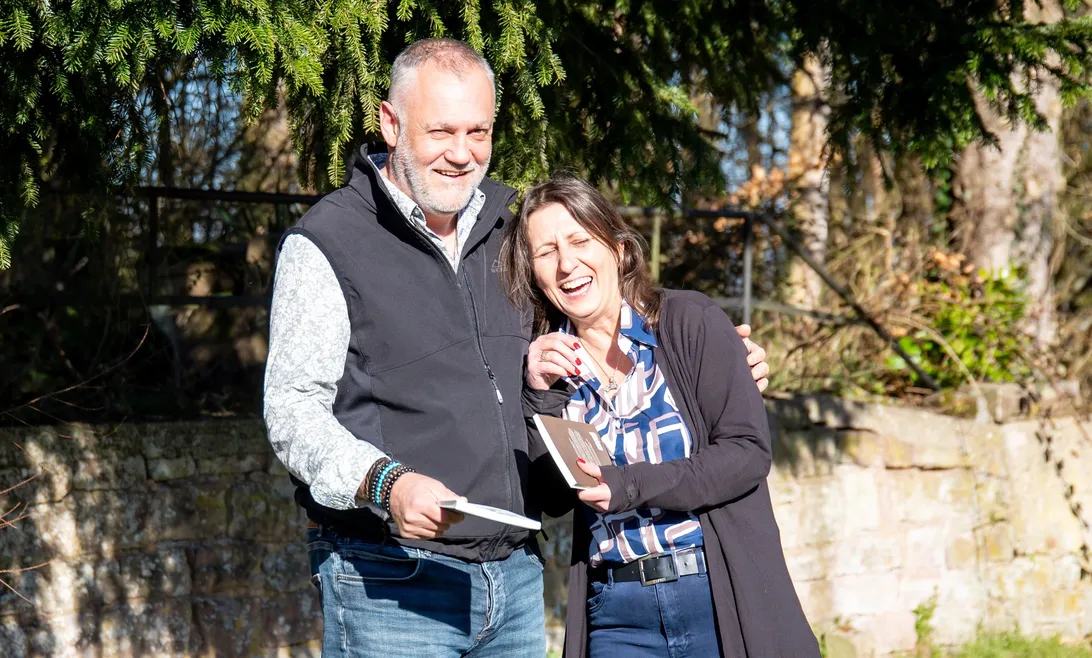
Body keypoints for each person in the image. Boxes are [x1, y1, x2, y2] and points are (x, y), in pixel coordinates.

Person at [263, 39, 772, 657]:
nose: (461, 153)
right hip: (391, 578)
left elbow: (596, 317)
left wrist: (712, 362)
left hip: (516, 576)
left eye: (478, 131)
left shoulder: (514, 224)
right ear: (390, 123)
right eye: (440, 131)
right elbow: (292, 413)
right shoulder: (326, 243)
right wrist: (384, 485)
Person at [500, 175, 818, 658]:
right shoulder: (549, 361)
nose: (567, 264)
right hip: (617, 614)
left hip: (715, 593)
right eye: (546, 252)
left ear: (619, 249)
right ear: (535, 274)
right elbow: (554, 499)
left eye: (580, 240)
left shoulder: (689, 323)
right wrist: (539, 395)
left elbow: (746, 454)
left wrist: (630, 485)